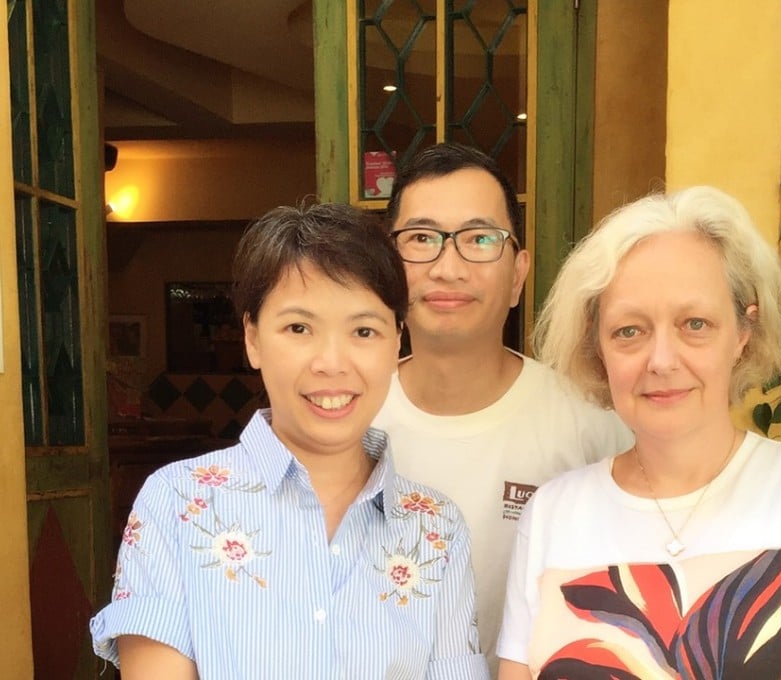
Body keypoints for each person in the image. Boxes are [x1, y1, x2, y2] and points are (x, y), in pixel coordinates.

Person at [497, 186, 781, 679]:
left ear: (743, 333)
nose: (662, 360)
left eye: (695, 324)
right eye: (629, 330)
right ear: (596, 348)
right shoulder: (552, 514)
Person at [91, 203, 488, 679]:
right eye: (299, 328)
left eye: (364, 330)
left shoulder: (435, 528)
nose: (331, 363)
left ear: (396, 343)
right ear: (252, 339)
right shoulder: (178, 504)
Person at [373, 142, 633, 671]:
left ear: (518, 275)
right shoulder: (350, 419)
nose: (448, 267)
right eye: (421, 238)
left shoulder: (591, 423)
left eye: (479, 239)